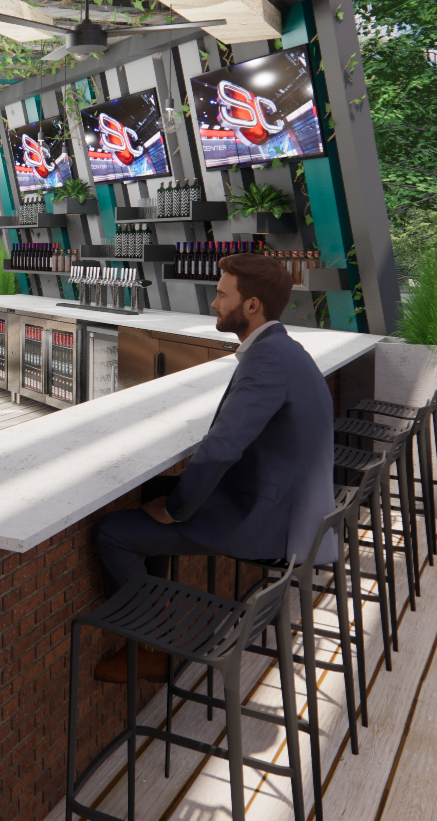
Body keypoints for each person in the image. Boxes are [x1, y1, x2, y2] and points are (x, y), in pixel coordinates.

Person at [91, 253, 336, 683]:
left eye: (222, 295)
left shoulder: (267, 361)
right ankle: (153, 635)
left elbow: (222, 447)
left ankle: (153, 650)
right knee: (155, 490)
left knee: (113, 534)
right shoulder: (288, 350)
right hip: (292, 505)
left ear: (252, 305)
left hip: (270, 523)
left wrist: (176, 511)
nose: (213, 304)